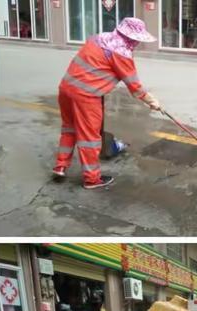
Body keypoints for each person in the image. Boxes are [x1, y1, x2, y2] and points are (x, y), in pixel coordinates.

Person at [52, 18, 162, 189]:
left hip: (66, 88)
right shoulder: (121, 53)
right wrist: (152, 101)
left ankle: (60, 166)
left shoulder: (99, 38)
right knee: (89, 139)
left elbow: (95, 67)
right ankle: (91, 179)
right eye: (137, 39)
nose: (138, 43)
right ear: (131, 37)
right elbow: (134, 85)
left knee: (69, 129)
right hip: (87, 96)